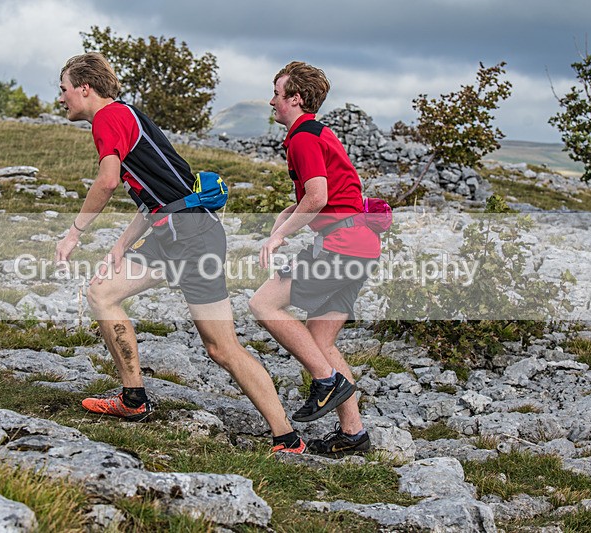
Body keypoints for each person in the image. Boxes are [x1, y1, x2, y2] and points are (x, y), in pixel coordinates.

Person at [54, 52, 305, 454]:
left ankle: (287, 438)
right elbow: (161, 197)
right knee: (102, 292)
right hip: (172, 231)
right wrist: (120, 246)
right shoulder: (122, 115)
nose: (61, 97)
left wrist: (74, 234)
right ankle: (133, 400)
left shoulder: (108, 118)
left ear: (85, 88)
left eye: (63, 88)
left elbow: (107, 181)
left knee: (221, 348)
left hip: (191, 237)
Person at [248, 61, 381, 457]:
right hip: (361, 246)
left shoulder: (303, 137)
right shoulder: (319, 133)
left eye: (277, 93)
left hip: (340, 247)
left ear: (296, 98)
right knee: (321, 341)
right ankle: (353, 434)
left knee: (263, 303)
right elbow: (329, 197)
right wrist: (286, 218)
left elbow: (319, 196)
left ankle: (326, 382)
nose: (272, 101)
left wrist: (278, 236)